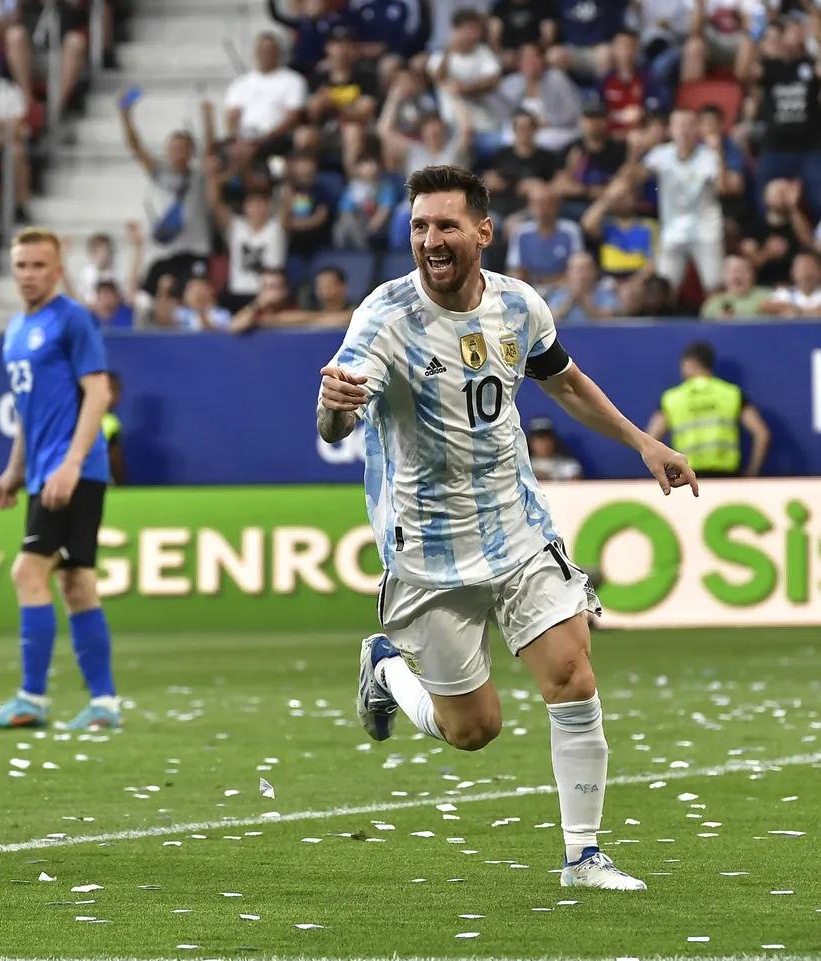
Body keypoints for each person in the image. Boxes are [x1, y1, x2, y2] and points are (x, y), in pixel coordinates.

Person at [317, 164, 698, 891]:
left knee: (572, 673)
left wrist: (643, 442)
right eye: (421, 225)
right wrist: (334, 403)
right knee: (474, 730)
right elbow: (336, 417)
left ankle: (583, 855)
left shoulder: (520, 306)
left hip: (518, 527)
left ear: (483, 232)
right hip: (428, 551)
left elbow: (566, 383)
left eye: (447, 225)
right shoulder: (383, 316)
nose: (431, 239)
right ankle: (387, 669)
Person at [0, 227, 120, 732]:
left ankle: (30, 699)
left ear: (57, 270)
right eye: (20, 265)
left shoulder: (73, 320)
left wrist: (72, 463)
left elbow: (99, 393)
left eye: (39, 265)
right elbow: (27, 411)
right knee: (76, 582)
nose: (28, 274)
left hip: (73, 468)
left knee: (26, 572)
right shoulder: (15, 329)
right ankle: (104, 704)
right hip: (45, 470)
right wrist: (17, 469)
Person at [646, 341, 770, 478]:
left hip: (687, 477)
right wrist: (752, 473)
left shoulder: (672, 398)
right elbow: (762, 434)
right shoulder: (732, 394)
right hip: (727, 478)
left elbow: (650, 439)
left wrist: (666, 475)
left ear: (689, 363)